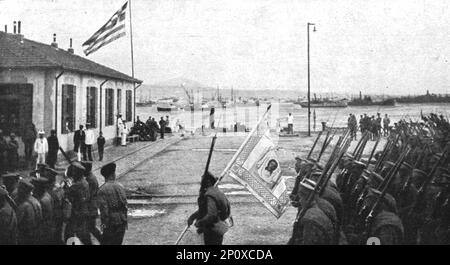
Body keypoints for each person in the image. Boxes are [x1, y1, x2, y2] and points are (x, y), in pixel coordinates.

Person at [188, 171, 231, 245]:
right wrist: (192, 217)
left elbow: (211, 214)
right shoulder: (217, 192)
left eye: (202, 182)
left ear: (207, 182)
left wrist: (200, 223)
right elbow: (205, 210)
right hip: (219, 227)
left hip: (213, 229)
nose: (201, 184)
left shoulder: (210, 195)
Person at [288, 178, 334, 245]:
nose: (300, 201)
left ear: (307, 197)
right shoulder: (317, 209)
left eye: (301, 197)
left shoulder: (309, 219)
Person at [97, 162, 128, 245]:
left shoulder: (102, 190)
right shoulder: (120, 186)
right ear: (112, 174)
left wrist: (104, 225)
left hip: (111, 222)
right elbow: (125, 205)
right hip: (122, 220)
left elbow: (104, 210)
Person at [65, 162, 91, 245]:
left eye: (74, 172)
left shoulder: (77, 185)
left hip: (76, 213)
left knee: (69, 234)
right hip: (84, 211)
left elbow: (66, 193)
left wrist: (67, 185)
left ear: (77, 173)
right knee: (84, 235)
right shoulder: (85, 182)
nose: (73, 174)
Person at [16, 179, 43, 245]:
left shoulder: (23, 205)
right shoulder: (36, 201)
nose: (18, 191)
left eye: (19, 189)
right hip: (36, 234)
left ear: (22, 190)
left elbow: (16, 222)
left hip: (25, 236)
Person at [82, 161, 102, 244]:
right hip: (92, 206)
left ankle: (104, 241)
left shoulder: (89, 179)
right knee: (90, 228)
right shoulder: (91, 177)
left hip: (90, 207)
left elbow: (88, 195)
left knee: (90, 228)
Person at [31, 177, 55, 245]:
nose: (34, 189)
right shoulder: (47, 195)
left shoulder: (42, 200)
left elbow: (39, 218)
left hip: (42, 229)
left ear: (39, 187)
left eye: (35, 187)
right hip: (48, 226)